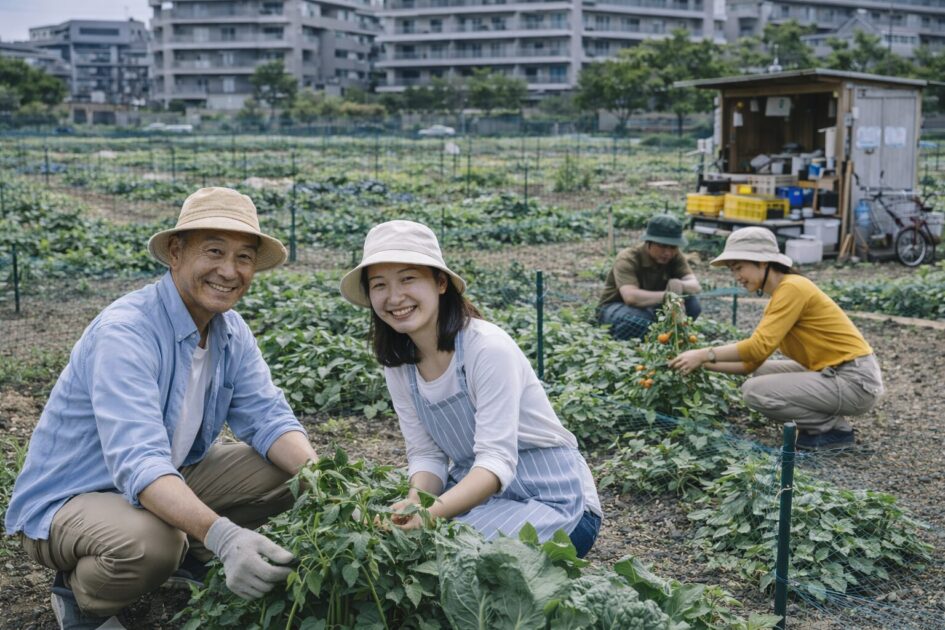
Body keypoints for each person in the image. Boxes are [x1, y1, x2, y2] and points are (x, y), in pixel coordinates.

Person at [5, 187, 319, 629]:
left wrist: (327, 482)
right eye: (214, 251)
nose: (229, 271)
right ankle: (81, 597)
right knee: (154, 544)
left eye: (244, 257)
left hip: (161, 477)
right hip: (72, 499)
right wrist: (225, 536)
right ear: (176, 252)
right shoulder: (126, 333)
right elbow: (139, 462)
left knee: (292, 471)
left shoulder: (229, 331)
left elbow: (269, 418)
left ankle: (189, 553)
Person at [339, 220, 602, 556]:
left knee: (449, 553)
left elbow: (495, 461)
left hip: (557, 503)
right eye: (379, 285)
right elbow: (427, 455)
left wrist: (431, 515)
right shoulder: (400, 364)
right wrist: (413, 504)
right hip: (483, 494)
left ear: (440, 283)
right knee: (407, 548)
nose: (394, 297)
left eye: (408, 279)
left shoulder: (487, 348)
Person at [668, 227, 884, 450]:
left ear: (763, 262)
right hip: (836, 373)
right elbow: (751, 363)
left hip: (856, 380)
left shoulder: (793, 288)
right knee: (760, 373)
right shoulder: (781, 296)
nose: (737, 277)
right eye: (733, 271)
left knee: (754, 391)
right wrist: (699, 364)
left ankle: (831, 430)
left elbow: (757, 347)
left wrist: (704, 353)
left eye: (739, 268)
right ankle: (828, 426)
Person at [597, 214, 702, 340]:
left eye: (673, 247)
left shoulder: (674, 256)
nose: (668, 252)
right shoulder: (628, 258)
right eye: (662, 246)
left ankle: (668, 340)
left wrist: (680, 285)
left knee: (693, 305)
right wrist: (668, 296)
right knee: (639, 319)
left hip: (651, 305)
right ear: (649, 243)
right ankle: (624, 348)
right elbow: (631, 297)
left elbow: (695, 285)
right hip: (616, 307)